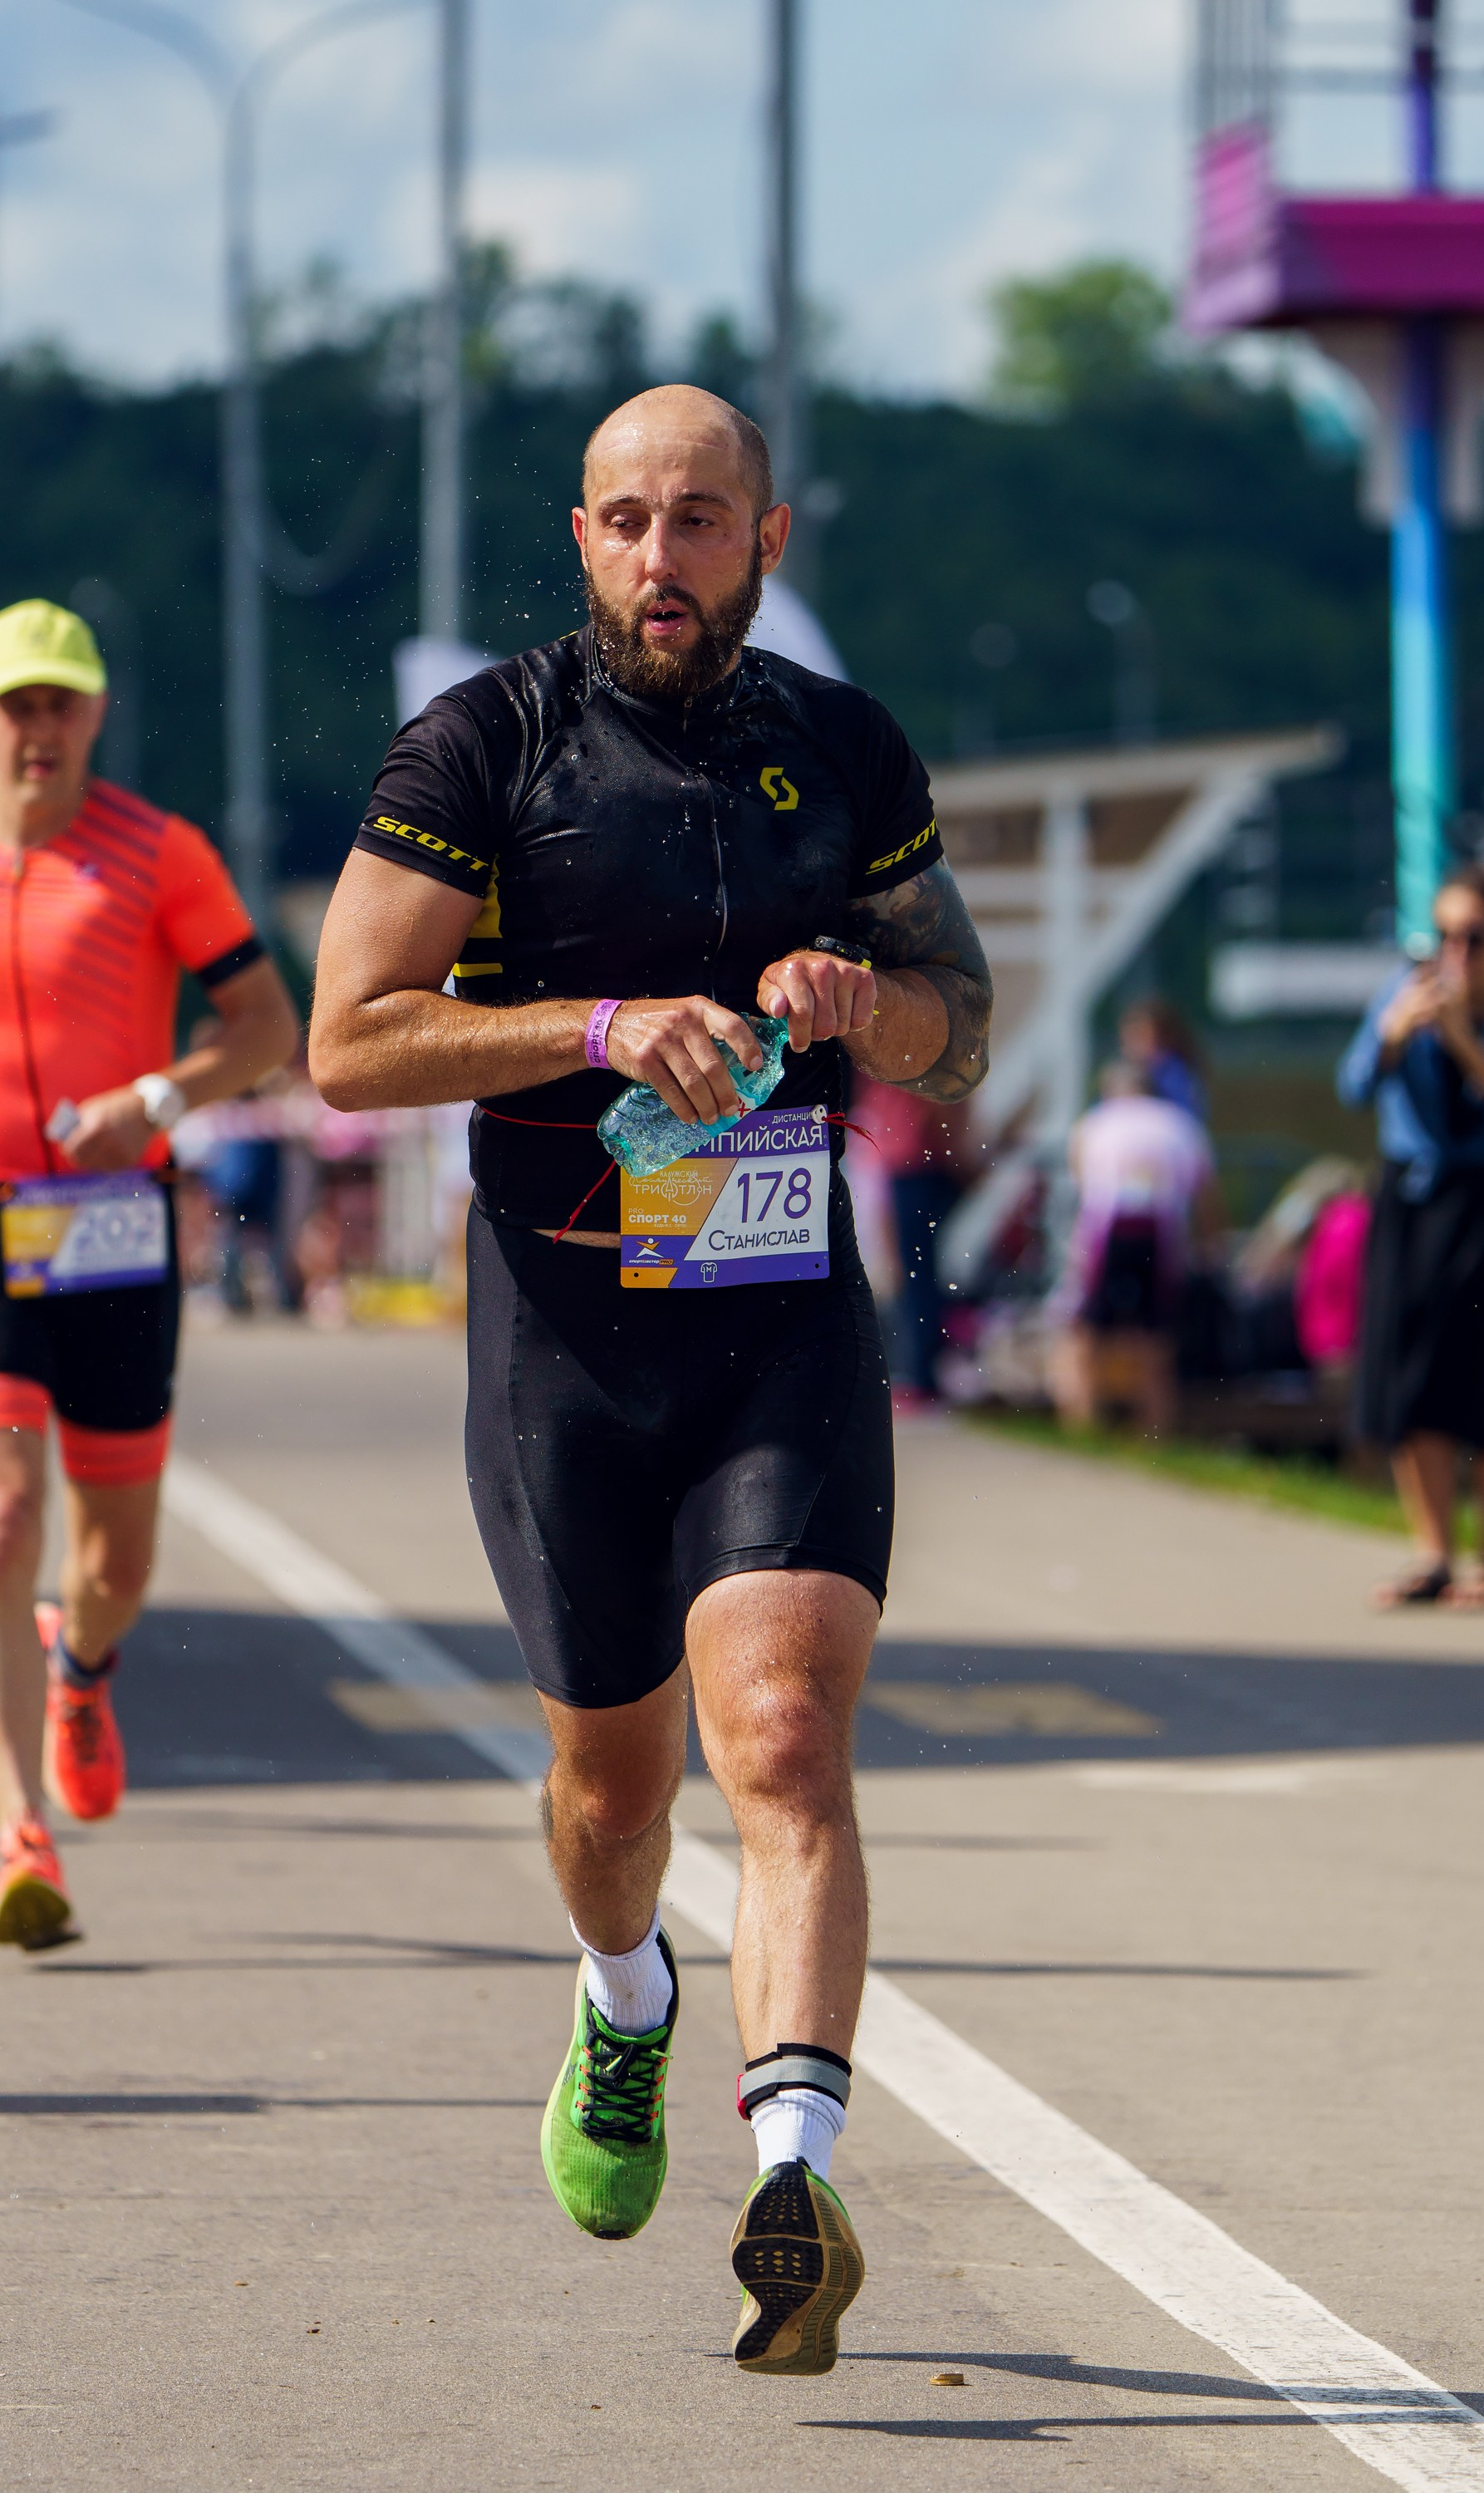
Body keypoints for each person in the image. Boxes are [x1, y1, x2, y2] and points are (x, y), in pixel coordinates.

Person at [307, 386, 992, 2375]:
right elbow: (352, 1042)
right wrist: (595, 1023)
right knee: (614, 1793)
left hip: (777, 1316)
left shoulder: (841, 750)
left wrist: (886, 1001)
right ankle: (623, 2002)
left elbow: (958, 1027)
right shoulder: (481, 746)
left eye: (699, 519)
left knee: (777, 1731)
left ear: (764, 540)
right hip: (566, 1342)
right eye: (623, 520)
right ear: (581, 537)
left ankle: (794, 2175)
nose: (658, 555)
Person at [0, 598, 298, 1948]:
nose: (35, 727)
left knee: (114, 1556)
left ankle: (84, 1660)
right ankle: (20, 1829)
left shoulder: (155, 852)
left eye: (59, 701)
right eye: (14, 702)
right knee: (6, 1514)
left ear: (96, 714)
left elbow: (265, 1025)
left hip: (116, 1236)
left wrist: (157, 1100)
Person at [1339, 865, 1484, 1607]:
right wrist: (1392, 1037)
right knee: (1409, 1373)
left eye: (1475, 937)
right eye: (1442, 937)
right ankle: (1432, 1552)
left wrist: (1464, 1039)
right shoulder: (1406, 990)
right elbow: (1353, 1084)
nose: (1455, 953)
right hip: (1414, 1194)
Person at [1049, 1060, 1221, 1436]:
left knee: (1082, 1331)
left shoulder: (1095, 1122)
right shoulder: (1181, 1124)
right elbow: (1206, 1199)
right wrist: (1210, 1254)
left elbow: (1083, 1187)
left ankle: (1082, 1424)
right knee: (1156, 1336)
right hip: (1160, 1230)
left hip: (1109, 1228)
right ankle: (1156, 1429)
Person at [848, 1073, 969, 1409]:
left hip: (913, 1164)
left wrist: (959, 1154)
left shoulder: (905, 1050)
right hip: (905, 1164)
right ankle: (921, 1371)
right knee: (913, 1274)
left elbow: (941, 1105)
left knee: (915, 1276)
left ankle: (921, 1376)